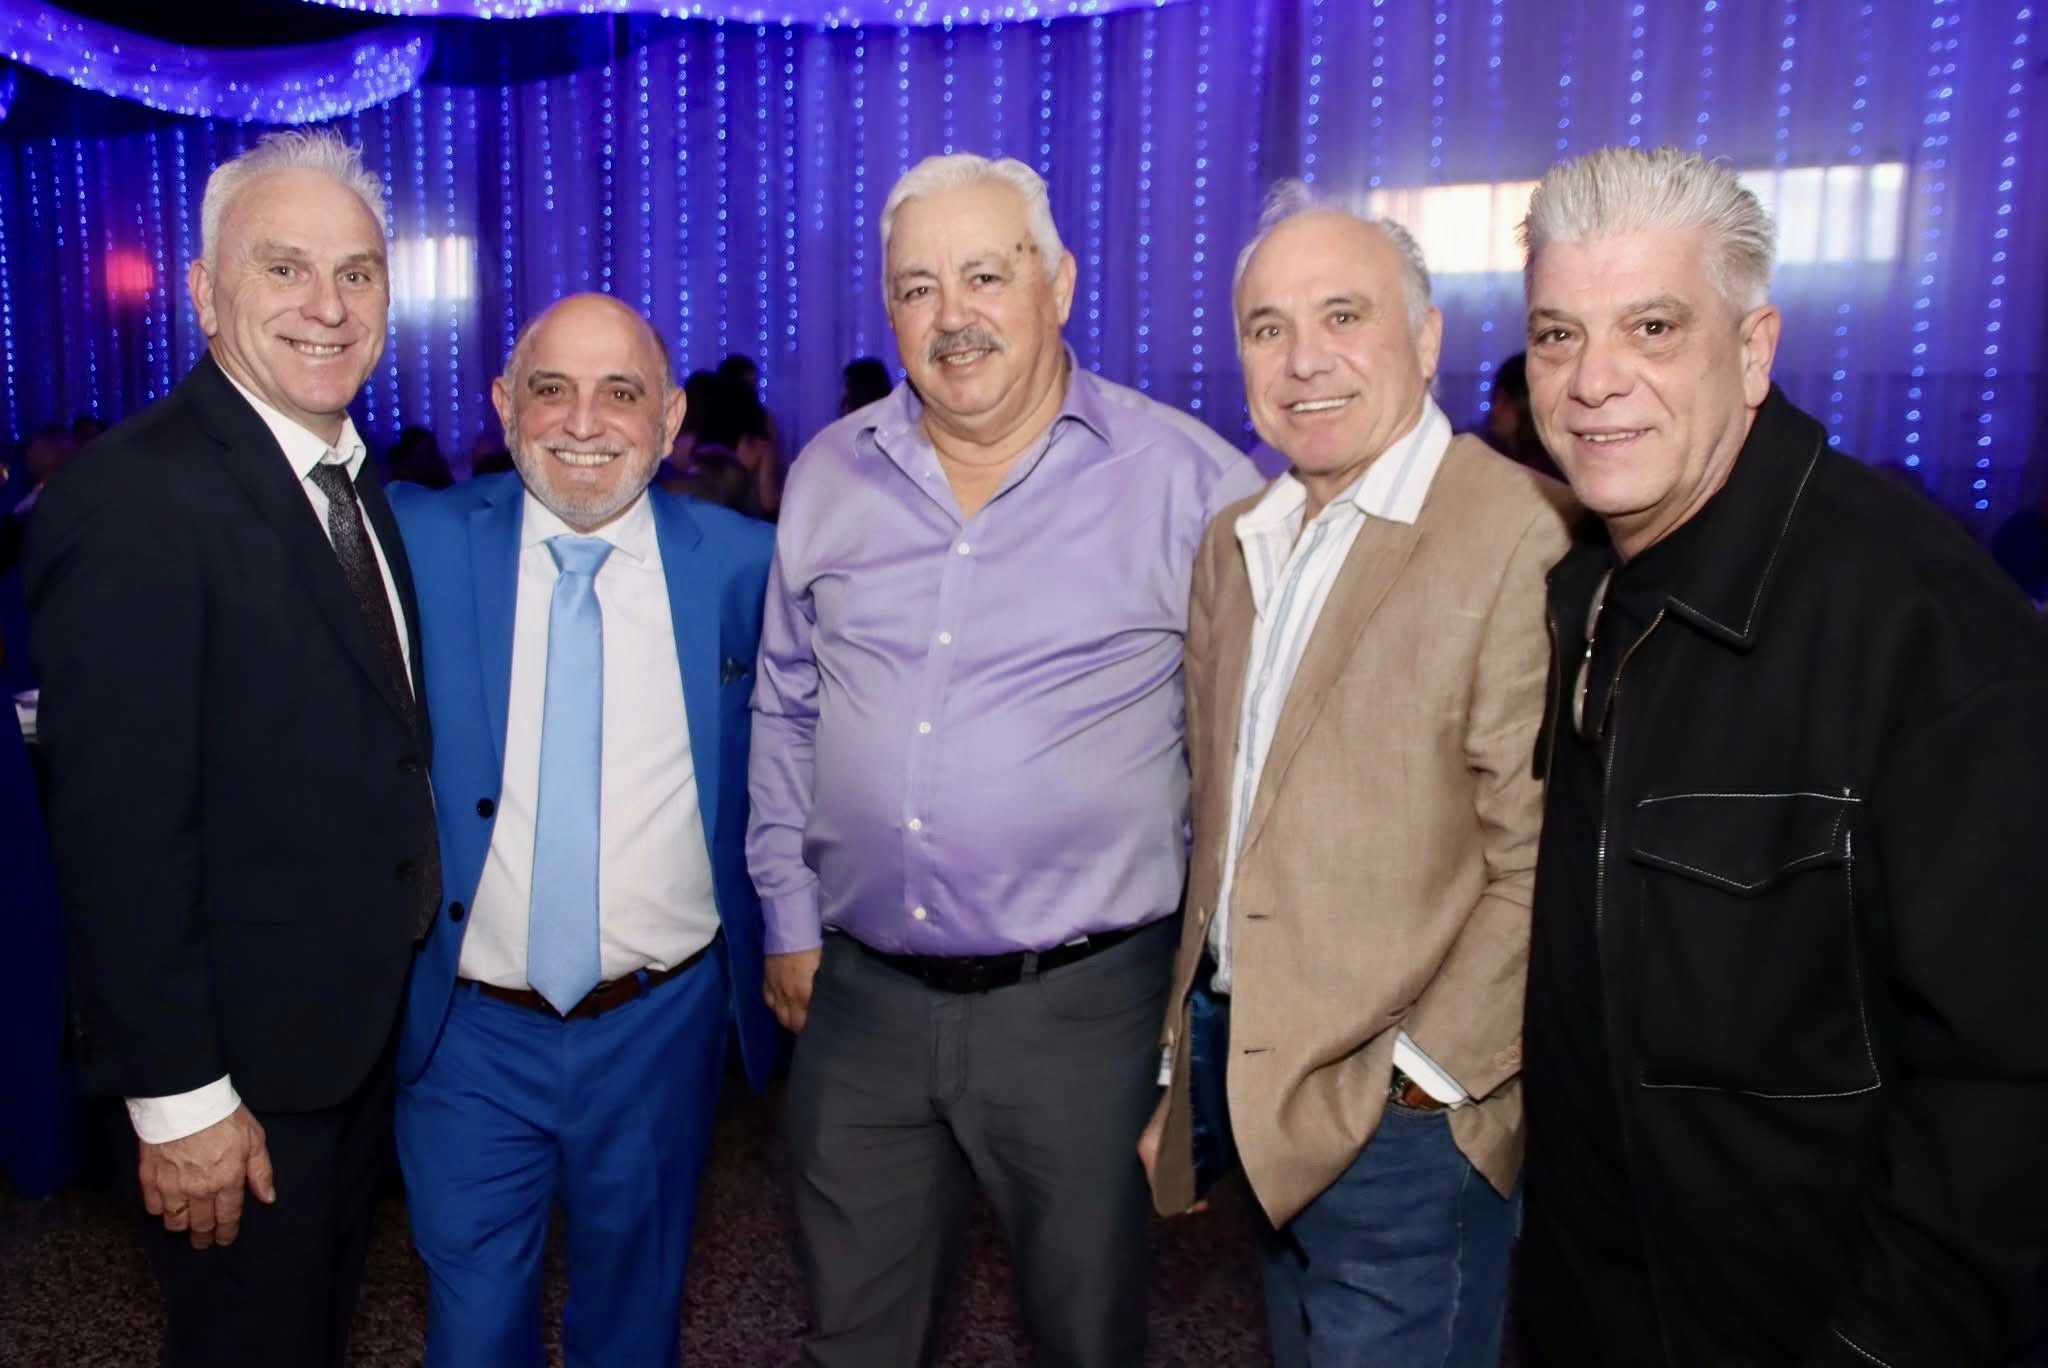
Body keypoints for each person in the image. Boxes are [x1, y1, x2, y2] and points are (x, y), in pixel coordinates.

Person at [1513, 145, 2048, 1368]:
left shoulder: (1919, 622)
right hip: (1595, 1303)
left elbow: (2008, 1080)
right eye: (1556, 336)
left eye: (1651, 328)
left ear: (1752, 350)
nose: (1592, 380)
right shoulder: (1586, 593)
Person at [750, 152, 1262, 1367]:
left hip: (1081, 1013)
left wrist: (1213, 1015)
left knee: (1083, 1336)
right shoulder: (828, 474)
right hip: (860, 1003)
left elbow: (1258, 763)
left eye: (985, 274)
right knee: (850, 1337)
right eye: (917, 287)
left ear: (1058, 283)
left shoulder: (1189, 485)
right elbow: (785, 705)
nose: (953, 315)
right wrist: (786, 914)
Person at [1137, 183, 1573, 1366]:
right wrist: (1185, 1060)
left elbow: (1543, 856)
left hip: (1407, 1122)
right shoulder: (1237, 541)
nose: (1302, 359)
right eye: (1266, 327)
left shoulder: (1523, 534)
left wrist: (1423, 1085)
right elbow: (1223, 827)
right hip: (1257, 1087)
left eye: (1343, 315)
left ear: (1424, 339)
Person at [23, 129, 438, 1367]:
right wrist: (181, 1100)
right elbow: (117, 836)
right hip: (235, 1085)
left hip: (337, 1050)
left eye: (357, 273)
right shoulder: (137, 497)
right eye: (284, 268)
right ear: (205, 294)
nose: (328, 306)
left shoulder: (344, 480)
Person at [388, 293, 779, 1367]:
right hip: (466, 1031)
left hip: (658, 1025)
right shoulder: (419, 544)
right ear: (503, 404)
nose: (583, 422)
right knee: (472, 1335)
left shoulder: (747, 566)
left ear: (670, 416)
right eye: (551, 390)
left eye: (620, 393)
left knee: (632, 1326)